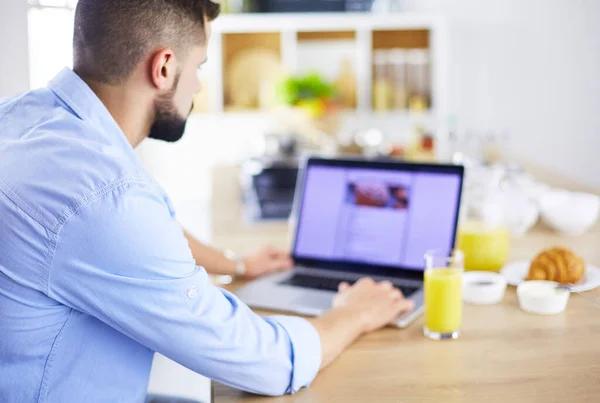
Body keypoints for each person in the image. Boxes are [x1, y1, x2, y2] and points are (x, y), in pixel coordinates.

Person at [0, 1, 415, 402]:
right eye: (198, 66)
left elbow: (115, 232)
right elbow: (265, 364)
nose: (198, 83)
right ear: (163, 68)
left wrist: (233, 264)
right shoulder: (107, 199)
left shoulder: (24, 118)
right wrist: (353, 313)